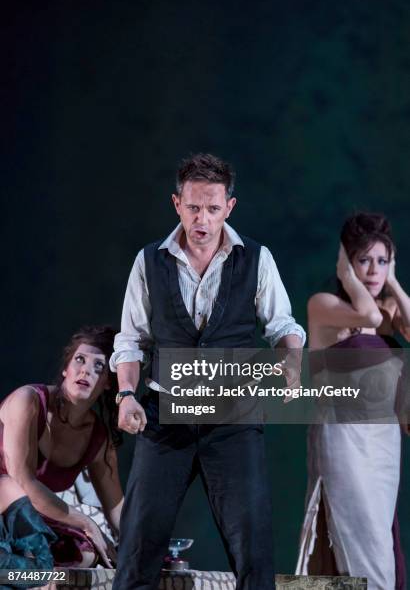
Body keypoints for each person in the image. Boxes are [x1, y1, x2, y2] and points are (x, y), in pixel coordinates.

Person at [110, 152, 305, 590]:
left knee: (252, 549)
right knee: (139, 544)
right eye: (194, 207)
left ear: (229, 207)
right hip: (166, 413)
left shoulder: (256, 258)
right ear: (176, 203)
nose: (203, 219)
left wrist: (292, 362)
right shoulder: (149, 261)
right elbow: (130, 340)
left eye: (213, 209)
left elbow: (282, 326)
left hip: (233, 418)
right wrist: (125, 395)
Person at [295, 213, 410, 590]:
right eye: (363, 260)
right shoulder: (324, 305)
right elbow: (369, 314)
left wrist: (392, 279)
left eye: (382, 260)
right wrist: (347, 278)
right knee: (361, 547)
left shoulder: (391, 311)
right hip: (344, 438)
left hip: (384, 445)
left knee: (380, 542)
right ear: (346, 261)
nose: (373, 269)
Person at [0, 325, 124, 572]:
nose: (86, 370)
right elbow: (21, 483)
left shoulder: (98, 439)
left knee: (88, 555)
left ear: (108, 383)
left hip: (33, 520)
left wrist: (145, 546)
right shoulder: (28, 401)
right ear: (66, 369)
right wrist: (85, 521)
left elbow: (117, 509)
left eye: (99, 366)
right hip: (7, 504)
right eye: (80, 359)